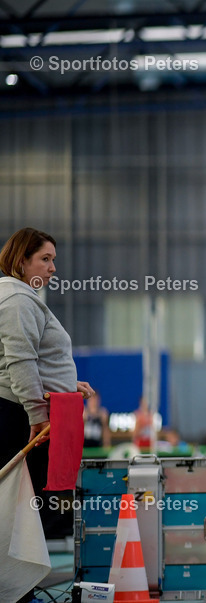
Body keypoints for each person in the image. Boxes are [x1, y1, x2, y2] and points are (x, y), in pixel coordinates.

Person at [0, 228, 95, 603]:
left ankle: (19, 591)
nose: (54, 267)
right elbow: (20, 363)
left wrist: (68, 383)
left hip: (22, 411)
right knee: (22, 511)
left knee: (28, 510)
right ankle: (17, 593)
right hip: (19, 418)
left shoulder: (20, 297)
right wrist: (38, 417)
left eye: (54, 259)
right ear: (22, 261)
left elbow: (33, 363)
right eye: (45, 259)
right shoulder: (17, 301)